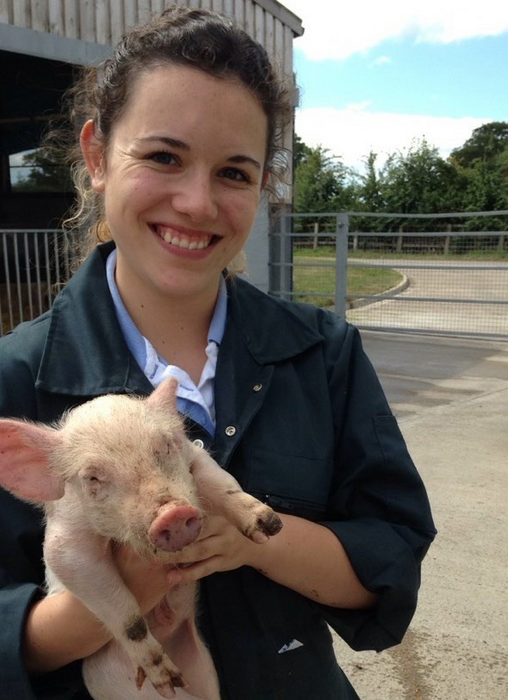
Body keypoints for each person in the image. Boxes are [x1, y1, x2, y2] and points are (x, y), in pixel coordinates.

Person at [0, 6, 436, 700]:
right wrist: (125, 592)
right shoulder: (14, 377)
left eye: (234, 172)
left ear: (263, 184)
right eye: (163, 157)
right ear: (95, 157)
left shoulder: (323, 353)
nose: (197, 202)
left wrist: (247, 537)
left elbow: (391, 559)